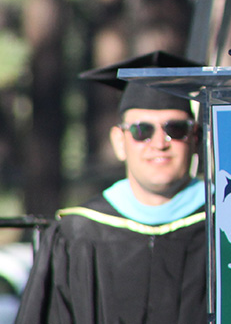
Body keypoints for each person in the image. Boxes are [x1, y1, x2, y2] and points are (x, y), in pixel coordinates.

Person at [16, 51, 207, 324]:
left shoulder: (223, 228)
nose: (159, 143)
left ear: (195, 138)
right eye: (142, 131)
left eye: (175, 129)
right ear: (120, 141)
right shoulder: (77, 233)